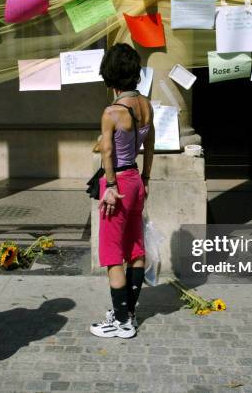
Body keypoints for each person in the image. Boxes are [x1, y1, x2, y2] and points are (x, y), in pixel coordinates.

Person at [90, 43, 155, 338]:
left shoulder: (112, 112)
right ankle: (127, 312)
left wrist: (112, 186)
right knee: (135, 248)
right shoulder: (146, 105)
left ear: (110, 74)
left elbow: (107, 153)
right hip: (137, 180)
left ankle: (122, 323)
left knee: (112, 253)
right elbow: (151, 145)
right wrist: (147, 177)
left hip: (117, 182)